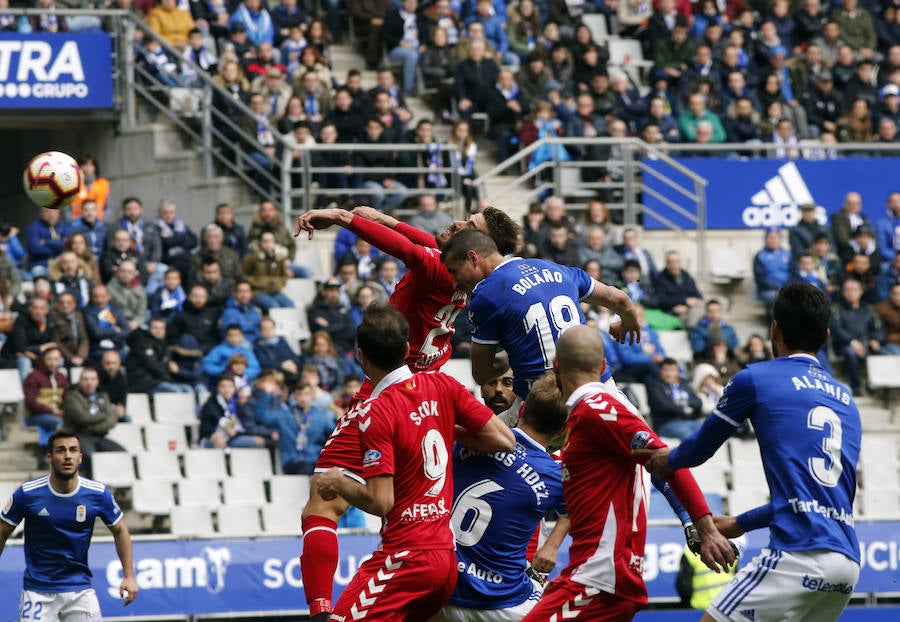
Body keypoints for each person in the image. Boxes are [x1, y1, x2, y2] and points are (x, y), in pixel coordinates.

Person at [294, 204, 519, 620]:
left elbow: (412, 252)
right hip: (432, 393)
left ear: (476, 250)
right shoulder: (480, 280)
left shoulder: (439, 268)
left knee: (322, 505)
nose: (459, 224)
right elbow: (426, 243)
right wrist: (387, 219)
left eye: (471, 225)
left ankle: (322, 612)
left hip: (390, 390)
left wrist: (344, 218)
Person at [637, 283, 861, 622]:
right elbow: (816, 498)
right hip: (846, 564)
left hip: (798, 555)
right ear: (827, 335)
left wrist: (666, 459)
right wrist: (740, 523)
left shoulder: (756, 378)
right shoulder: (847, 401)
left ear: (774, 329)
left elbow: (699, 450)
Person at [521, 325, 735, 622]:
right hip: (592, 574)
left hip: (600, 579)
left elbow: (666, 459)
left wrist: (705, 527)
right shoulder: (584, 414)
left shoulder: (599, 409)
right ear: (604, 366)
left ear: (556, 365)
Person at [315, 305, 515, 621]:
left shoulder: (374, 413)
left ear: (361, 356)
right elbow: (505, 439)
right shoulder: (443, 385)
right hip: (446, 560)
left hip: (406, 557)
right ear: (408, 348)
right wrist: (442, 424)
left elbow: (381, 502)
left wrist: (339, 481)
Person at [439, 229, 640, 399]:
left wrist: (513, 357)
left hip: (546, 406)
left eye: (454, 271)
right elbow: (620, 299)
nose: (455, 283)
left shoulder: (485, 295)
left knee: (482, 442)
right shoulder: (554, 267)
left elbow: (481, 375)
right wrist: (627, 323)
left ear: (473, 258)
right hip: (598, 389)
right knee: (640, 436)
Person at [432, 373, 568, 621]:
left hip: (441, 589)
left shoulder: (469, 439)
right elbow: (579, 511)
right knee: (553, 603)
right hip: (501, 601)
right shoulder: (555, 476)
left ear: (522, 409)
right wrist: (553, 545)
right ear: (562, 429)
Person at [0, 430, 138, 618]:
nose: (67, 456)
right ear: (50, 457)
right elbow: (2, 532)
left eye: (73, 450)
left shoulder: (97, 494)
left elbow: (120, 529)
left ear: (80, 457)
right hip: (38, 592)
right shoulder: (28, 494)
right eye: (61, 450)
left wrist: (129, 576)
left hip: (79, 591)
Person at [255, 376, 335, 474]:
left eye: (306, 394)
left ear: (312, 396)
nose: (303, 398)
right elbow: (260, 417)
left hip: (315, 461)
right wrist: (266, 394)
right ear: (295, 397)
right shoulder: (284, 415)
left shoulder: (322, 416)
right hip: (292, 462)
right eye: (299, 394)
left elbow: (335, 436)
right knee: (307, 468)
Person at [61, 367, 126, 473]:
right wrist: (104, 414)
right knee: (90, 456)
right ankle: (93, 484)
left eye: (92, 379)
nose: (89, 383)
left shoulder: (103, 396)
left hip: (99, 436)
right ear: (80, 381)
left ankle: (121, 487)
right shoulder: (71, 397)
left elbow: (112, 419)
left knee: (122, 453)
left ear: (97, 381)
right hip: (78, 436)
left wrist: (95, 425)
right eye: (86, 379)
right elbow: (82, 418)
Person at [830, 277, 884, 395]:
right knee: (850, 352)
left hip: (866, 342)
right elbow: (836, 329)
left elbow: (878, 327)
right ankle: (856, 387)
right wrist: (852, 342)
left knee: (881, 351)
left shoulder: (869, 309)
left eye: (854, 289)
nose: (851, 293)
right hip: (844, 344)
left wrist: (876, 339)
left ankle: (875, 387)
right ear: (843, 292)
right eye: (847, 290)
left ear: (861, 291)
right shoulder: (836, 308)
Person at [646, 358, 706, 439]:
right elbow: (664, 406)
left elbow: (698, 402)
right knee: (689, 436)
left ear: (677, 372)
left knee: (708, 432)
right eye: (665, 370)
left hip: (690, 421)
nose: (669, 374)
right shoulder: (655, 386)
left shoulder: (684, 384)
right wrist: (685, 409)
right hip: (667, 424)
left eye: (672, 370)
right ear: (660, 371)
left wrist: (682, 403)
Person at [479, 353, 518, 426]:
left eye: (507, 383)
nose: (498, 389)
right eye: (491, 383)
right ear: (481, 390)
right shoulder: (468, 427)